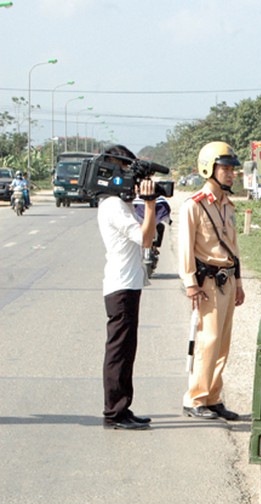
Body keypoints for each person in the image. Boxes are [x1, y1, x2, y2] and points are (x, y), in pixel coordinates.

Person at [178, 141, 245, 421]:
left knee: (223, 342)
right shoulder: (194, 206)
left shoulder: (228, 205)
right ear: (209, 168)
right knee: (209, 339)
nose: (231, 174)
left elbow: (234, 246)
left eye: (232, 169)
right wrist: (191, 284)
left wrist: (239, 282)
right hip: (206, 282)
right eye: (225, 169)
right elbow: (186, 247)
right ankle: (195, 398)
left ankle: (213, 397)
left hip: (227, 279)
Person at [97, 145, 157, 430]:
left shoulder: (120, 204)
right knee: (119, 351)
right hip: (121, 287)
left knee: (126, 349)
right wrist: (149, 204)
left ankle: (123, 408)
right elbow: (146, 239)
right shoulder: (112, 206)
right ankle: (114, 413)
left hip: (128, 285)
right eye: (124, 169)